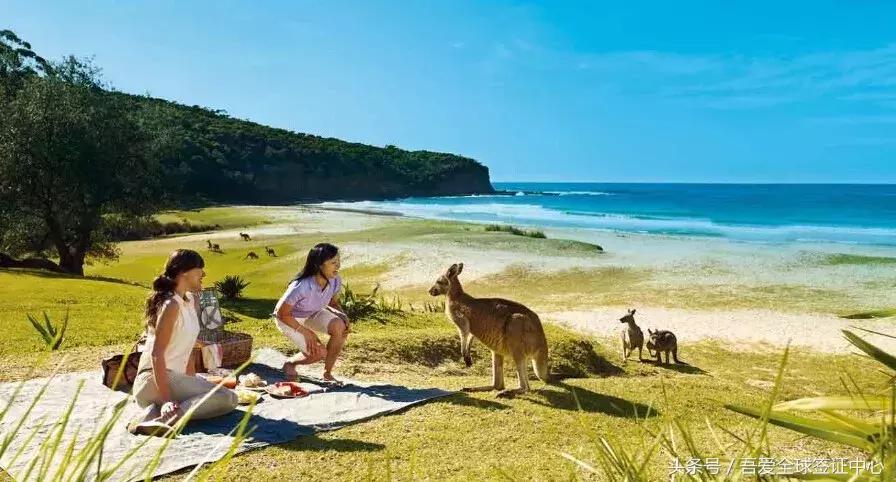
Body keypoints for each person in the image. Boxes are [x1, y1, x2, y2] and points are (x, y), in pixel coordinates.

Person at [128, 249, 237, 437]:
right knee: (228, 398)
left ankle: (150, 414)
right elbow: (156, 353)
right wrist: (167, 400)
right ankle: (168, 418)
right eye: (199, 269)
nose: (203, 274)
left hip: (172, 380)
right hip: (153, 381)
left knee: (214, 391)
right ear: (183, 272)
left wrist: (192, 380)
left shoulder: (190, 300)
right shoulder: (171, 305)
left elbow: (187, 346)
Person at [273, 242, 350, 381]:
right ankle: (290, 363)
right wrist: (306, 332)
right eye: (333, 262)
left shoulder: (334, 280)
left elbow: (332, 302)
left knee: (340, 326)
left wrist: (343, 315)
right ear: (319, 265)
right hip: (288, 319)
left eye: (339, 261)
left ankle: (327, 374)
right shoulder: (301, 286)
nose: (338, 266)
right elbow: (282, 313)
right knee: (319, 352)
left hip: (312, 313)